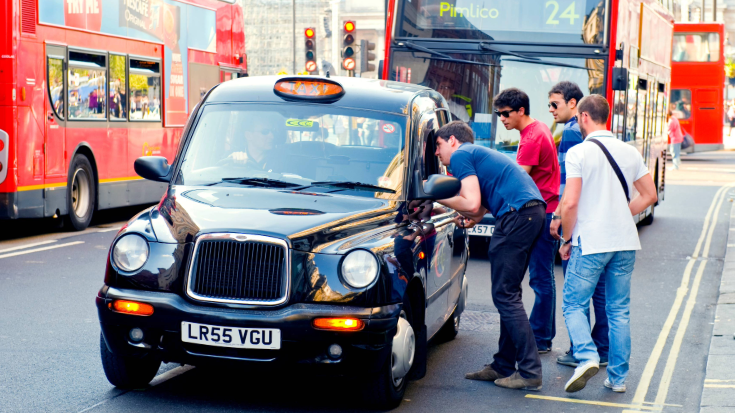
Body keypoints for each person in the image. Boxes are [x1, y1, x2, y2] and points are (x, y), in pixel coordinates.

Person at [433, 121, 546, 391]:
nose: (437, 153)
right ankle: (503, 365)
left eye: (438, 145)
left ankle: (530, 372)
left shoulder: (460, 155)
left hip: (517, 216)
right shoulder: (476, 153)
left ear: (452, 140)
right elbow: (480, 205)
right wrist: (473, 218)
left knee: (505, 296)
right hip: (530, 212)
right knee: (509, 294)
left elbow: (470, 202)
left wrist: (432, 195)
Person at [559, 95, 658, 393]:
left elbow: (571, 202)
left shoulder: (578, 153)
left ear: (585, 117)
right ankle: (617, 379)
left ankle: (587, 356)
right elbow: (649, 195)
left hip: (591, 241)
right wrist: (620, 214)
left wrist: (565, 239)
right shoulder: (629, 152)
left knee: (573, 304)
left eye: (578, 117)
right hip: (625, 241)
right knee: (618, 310)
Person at [547, 81, 609, 369]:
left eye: (554, 104)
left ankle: (579, 350)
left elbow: (568, 188)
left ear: (575, 105)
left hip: (581, 223)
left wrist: (561, 222)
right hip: (603, 226)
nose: (550, 110)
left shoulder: (572, 134)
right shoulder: (590, 136)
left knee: (577, 292)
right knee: (602, 294)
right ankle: (603, 348)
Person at [493, 88, 559, 353]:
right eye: (498, 114)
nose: (502, 119)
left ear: (521, 110)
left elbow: (517, 182)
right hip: (546, 208)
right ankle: (542, 335)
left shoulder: (531, 138)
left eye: (505, 113)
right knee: (543, 278)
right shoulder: (538, 128)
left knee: (541, 279)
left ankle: (541, 338)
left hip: (540, 213)